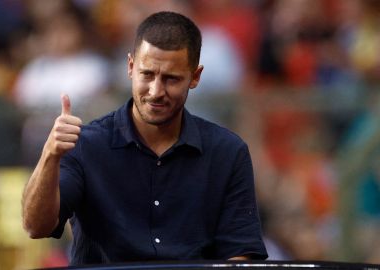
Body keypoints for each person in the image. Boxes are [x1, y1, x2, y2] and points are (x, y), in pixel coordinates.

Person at [22, 11, 268, 265]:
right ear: (130, 67)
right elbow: (36, 227)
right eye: (147, 74)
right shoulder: (85, 145)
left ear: (195, 77)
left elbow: (240, 254)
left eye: (171, 79)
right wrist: (49, 154)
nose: (156, 91)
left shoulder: (227, 152)